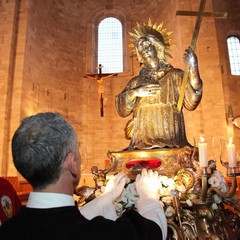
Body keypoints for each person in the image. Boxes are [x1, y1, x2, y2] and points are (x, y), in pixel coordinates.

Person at [0, 112, 167, 240]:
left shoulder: (7, 231)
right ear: (72, 163)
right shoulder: (99, 234)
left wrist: (105, 199)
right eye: (78, 152)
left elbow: (60, 222)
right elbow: (152, 231)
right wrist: (148, 195)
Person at [116, 21, 202, 150]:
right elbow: (122, 109)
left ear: (157, 47)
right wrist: (135, 92)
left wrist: (193, 68)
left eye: (146, 45)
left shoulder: (175, 75)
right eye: (140, 49)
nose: (143, 50)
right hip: (141, 146)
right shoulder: (136, 82)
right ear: (139, 56)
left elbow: (192, 101)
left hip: (172, 143)